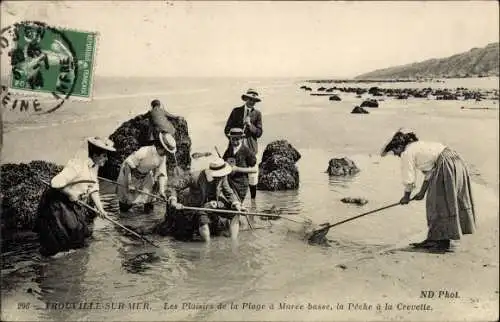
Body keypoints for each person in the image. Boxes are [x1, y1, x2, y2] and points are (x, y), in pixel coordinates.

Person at [381, 129, 476, 252]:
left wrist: (406, 196)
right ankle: (439, 239)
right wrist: (422, 192)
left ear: (400, 146)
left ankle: (438, 241)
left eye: (394, 151)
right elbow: (430, 172)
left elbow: (409, 179)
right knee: (445, 202)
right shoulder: (417, 146)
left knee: (436, 204)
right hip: (455, 161)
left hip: (445, 164)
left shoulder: (407, 152)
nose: (396, 155)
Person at [34, 137, 115, 257]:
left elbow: (93, 187)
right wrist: (71, 193)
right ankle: (48, 262)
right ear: (95, 155)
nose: (106, 159)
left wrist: (101, 209)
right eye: (104, 156)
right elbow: (55, 183)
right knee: (60, 240)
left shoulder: (94, 165)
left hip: (69, 202)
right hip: (56, 201)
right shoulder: (77, 164)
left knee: (77, 234)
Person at [167, 158, 244, 242]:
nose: (221, 177)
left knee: (235, 212)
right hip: (198, 206)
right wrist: (174, 201)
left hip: (214, 203)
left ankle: (234, 242)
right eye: (219, 175)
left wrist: (236, 204)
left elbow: (228, 192)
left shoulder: (222, 177)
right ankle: (207, 247)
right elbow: (174, 187)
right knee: (203, 221)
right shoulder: (195, 177)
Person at [116, 132, 176, 213]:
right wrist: (131, 184)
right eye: (165, 151)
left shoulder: (163, 157)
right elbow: (128, 164)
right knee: (126, 202)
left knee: (150, 198)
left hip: (145, 174)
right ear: (159, 146)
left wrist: (161, 190)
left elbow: (162, 173)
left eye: (167, 152)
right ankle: (125, 219)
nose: (166, 154)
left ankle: (148, 217)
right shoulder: (144, 151)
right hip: (128, 172)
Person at [224, 89, 263, 201]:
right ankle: (234, 199)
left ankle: (253, 201)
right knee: (232, 172)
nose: (252, 102)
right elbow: (226, 129)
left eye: (254, 100)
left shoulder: (257, 114)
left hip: (251, 148)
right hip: (235, 148)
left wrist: (250, 125)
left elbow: (259, 133)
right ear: (246, 99)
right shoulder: (236, 111)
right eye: (250, 99)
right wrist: (235, 139)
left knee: (252, 176)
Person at [222, 127, 257, 202]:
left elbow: (254, 170)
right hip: (229, 183)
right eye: (232, 139)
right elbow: (223, 162)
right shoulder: (229, 150)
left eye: (237, 139)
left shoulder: (247, 151)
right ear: (230, 139)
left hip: (241, 185)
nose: (234, 142)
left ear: (242, 139)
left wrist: (237, 169)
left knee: (236, 204)